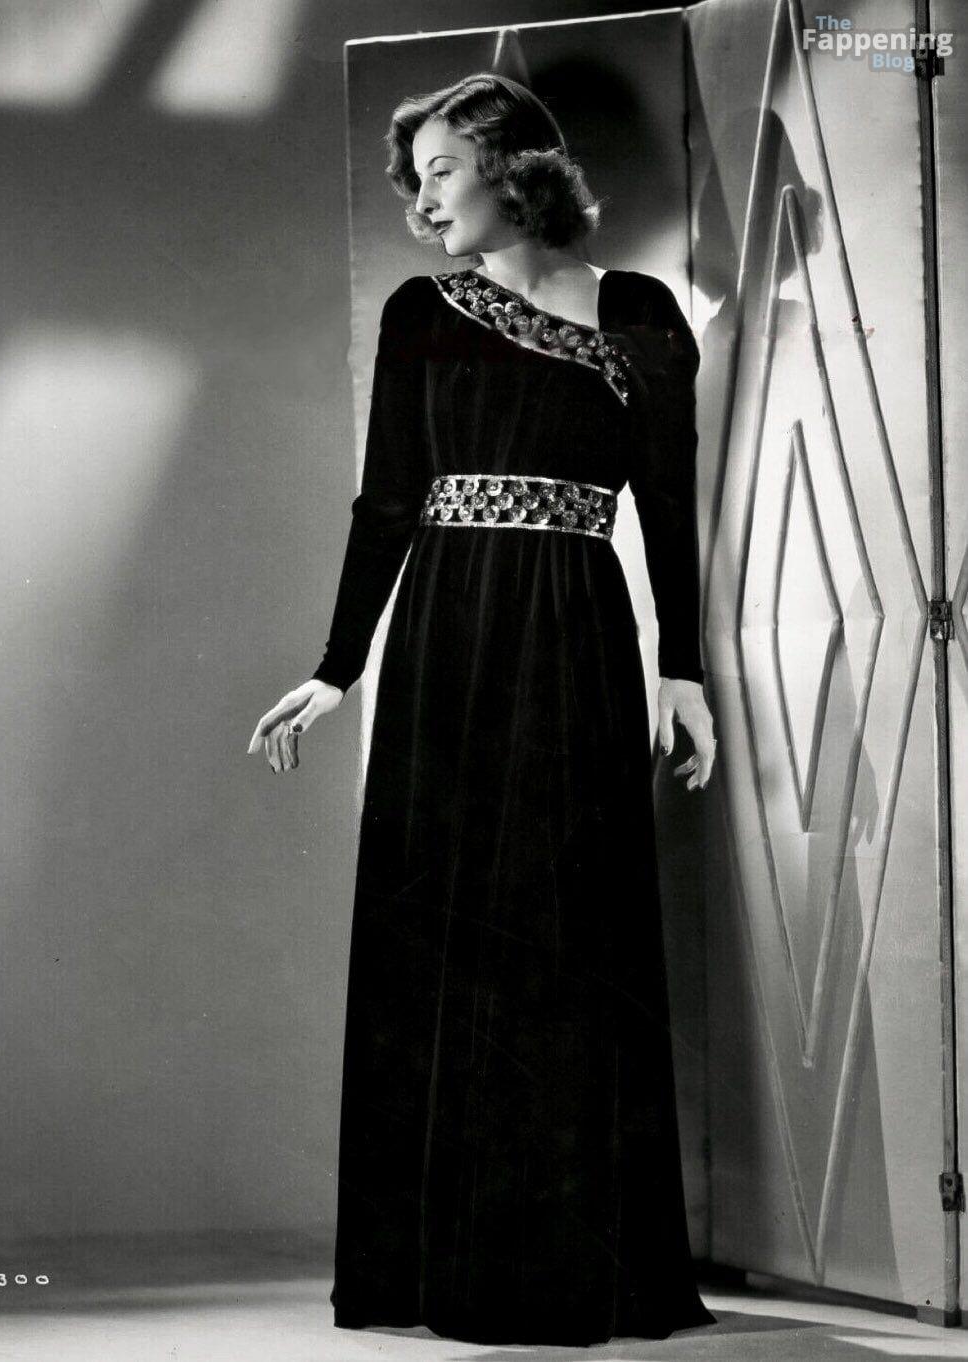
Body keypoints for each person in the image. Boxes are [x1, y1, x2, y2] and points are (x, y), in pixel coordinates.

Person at [249, 72, 718, 1347]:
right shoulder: (421, 312)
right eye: (416, 179)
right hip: (447, 641)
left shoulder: (639, 313)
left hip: (574, 635)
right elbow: (386, 501)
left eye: (442, 171)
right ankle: (434, 1265)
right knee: (447, 927)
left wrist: (682, 670)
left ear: (515, 168)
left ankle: (575, 1266)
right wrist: (336, 668)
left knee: (567, 927)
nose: (422, 201)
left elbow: (668, 503)